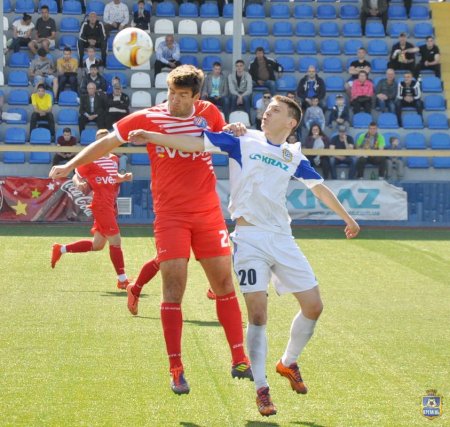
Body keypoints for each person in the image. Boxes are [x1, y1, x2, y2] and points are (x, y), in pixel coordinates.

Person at [126, 95, 360, 417]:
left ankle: (288, 362)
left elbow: (318, 187)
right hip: (249, 240)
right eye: (267, 109)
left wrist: (348, 218)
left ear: (291, 122)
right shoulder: (242, 139)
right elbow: (194, 143)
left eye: (275, 110)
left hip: (282, 237)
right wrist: (152, 136)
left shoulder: (293, 155)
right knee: (258, 315)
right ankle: (262, 388)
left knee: (313, 306)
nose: (266, 113)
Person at [49, 65, 253, 396]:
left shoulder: (209, 113)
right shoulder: (148, 118)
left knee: (224, 284)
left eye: (182, 95)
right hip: (170, 215)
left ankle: (240, 359)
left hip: (208, 214)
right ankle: (176, 369)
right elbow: (108, 142)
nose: (174, 100)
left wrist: (235, 128)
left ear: (196, 97)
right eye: (171, 93)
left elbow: (223, 137)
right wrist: (70, 164)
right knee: (173, 288)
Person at [51, 129, 133, 290]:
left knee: (97, 245)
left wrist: (122, 178)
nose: (103, 143)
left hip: (110, 204)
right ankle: (122, 279)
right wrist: (79, 183)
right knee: (116, 241)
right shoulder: (91, 160)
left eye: (106, 139)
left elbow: (112, 177)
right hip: (101, 205)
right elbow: (76, 174)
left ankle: (60, 249)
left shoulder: (114, 159)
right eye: (99, 140)